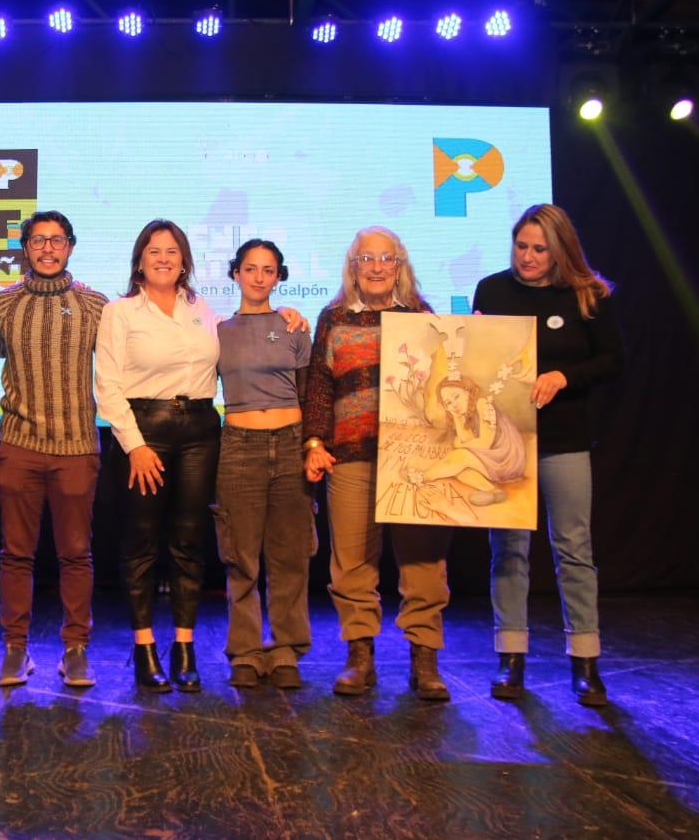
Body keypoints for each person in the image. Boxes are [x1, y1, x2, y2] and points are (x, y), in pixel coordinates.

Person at [96, 220, 307, 693]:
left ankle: (184, 649)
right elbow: (107, 387)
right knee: (142, 544)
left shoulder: (205, 311)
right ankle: (145, 648)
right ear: (140, 259)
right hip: (142, 433)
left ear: (185, 259)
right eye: (155, 251)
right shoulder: (120, 312)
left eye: (173, 251)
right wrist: (136, 446)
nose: (164, 258)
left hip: (199, 432)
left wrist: (290, 317)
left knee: (190, 544)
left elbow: (249, 338)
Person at [473, 203, 623, 706]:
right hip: (506, 442)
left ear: (559, 250)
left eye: (540, 248)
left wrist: (564, 377)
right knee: (508, 550)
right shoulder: (491, 290)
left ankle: (585, 662)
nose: (529, 256)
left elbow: (611, 360)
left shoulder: (586, 295)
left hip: (565, 441)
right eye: (522, 246)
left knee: (573, 548)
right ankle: (510, 658)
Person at [303, 226, 454, 701]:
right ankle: (359, 657)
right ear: (352, 266)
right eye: (366, 258)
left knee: (424, 560)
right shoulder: (332, 318)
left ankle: (424, 659)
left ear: (399, 266)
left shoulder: (422, 317)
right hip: (349, 456)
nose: (375, 266)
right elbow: (320, 387)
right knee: (351, 562)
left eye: (385, 258)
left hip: (415, 459)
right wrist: (313, 440)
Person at [0, 211, 107, 688]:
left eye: (57, 240)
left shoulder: (95, 305)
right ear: (25, 249)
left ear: (70, 246)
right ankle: (16, 650)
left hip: (77, 447)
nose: (48, 249)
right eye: (38, 241)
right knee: (16, 553)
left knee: (76, 553)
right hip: (18, 446)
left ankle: (75, 649)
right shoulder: (2, 306)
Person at [211, 239, 316, 690]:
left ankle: (287, 648)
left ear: (279, 277)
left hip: (291, 444)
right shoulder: (217, 330)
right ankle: (248, 651)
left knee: (290, 554)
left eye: (268, 270)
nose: (258, 277)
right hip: (239, 446)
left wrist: (313, 444)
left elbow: (311, 392)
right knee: (241, 555)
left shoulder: (294, 326)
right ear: (235, 274)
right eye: (250, 268)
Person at [420, 376, 527, 506]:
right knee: (458, 470)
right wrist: (457, 417)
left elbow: (484, 444)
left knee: (460, 456)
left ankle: (424, 476)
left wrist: (460, 445)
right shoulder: (463, 412)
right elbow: (468, 440)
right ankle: (493, 491)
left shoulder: (482, 404)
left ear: (467, 391)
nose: (454, 404)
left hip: (506, 458)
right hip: (492, 457)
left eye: (456, 396)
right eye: (448, 403)